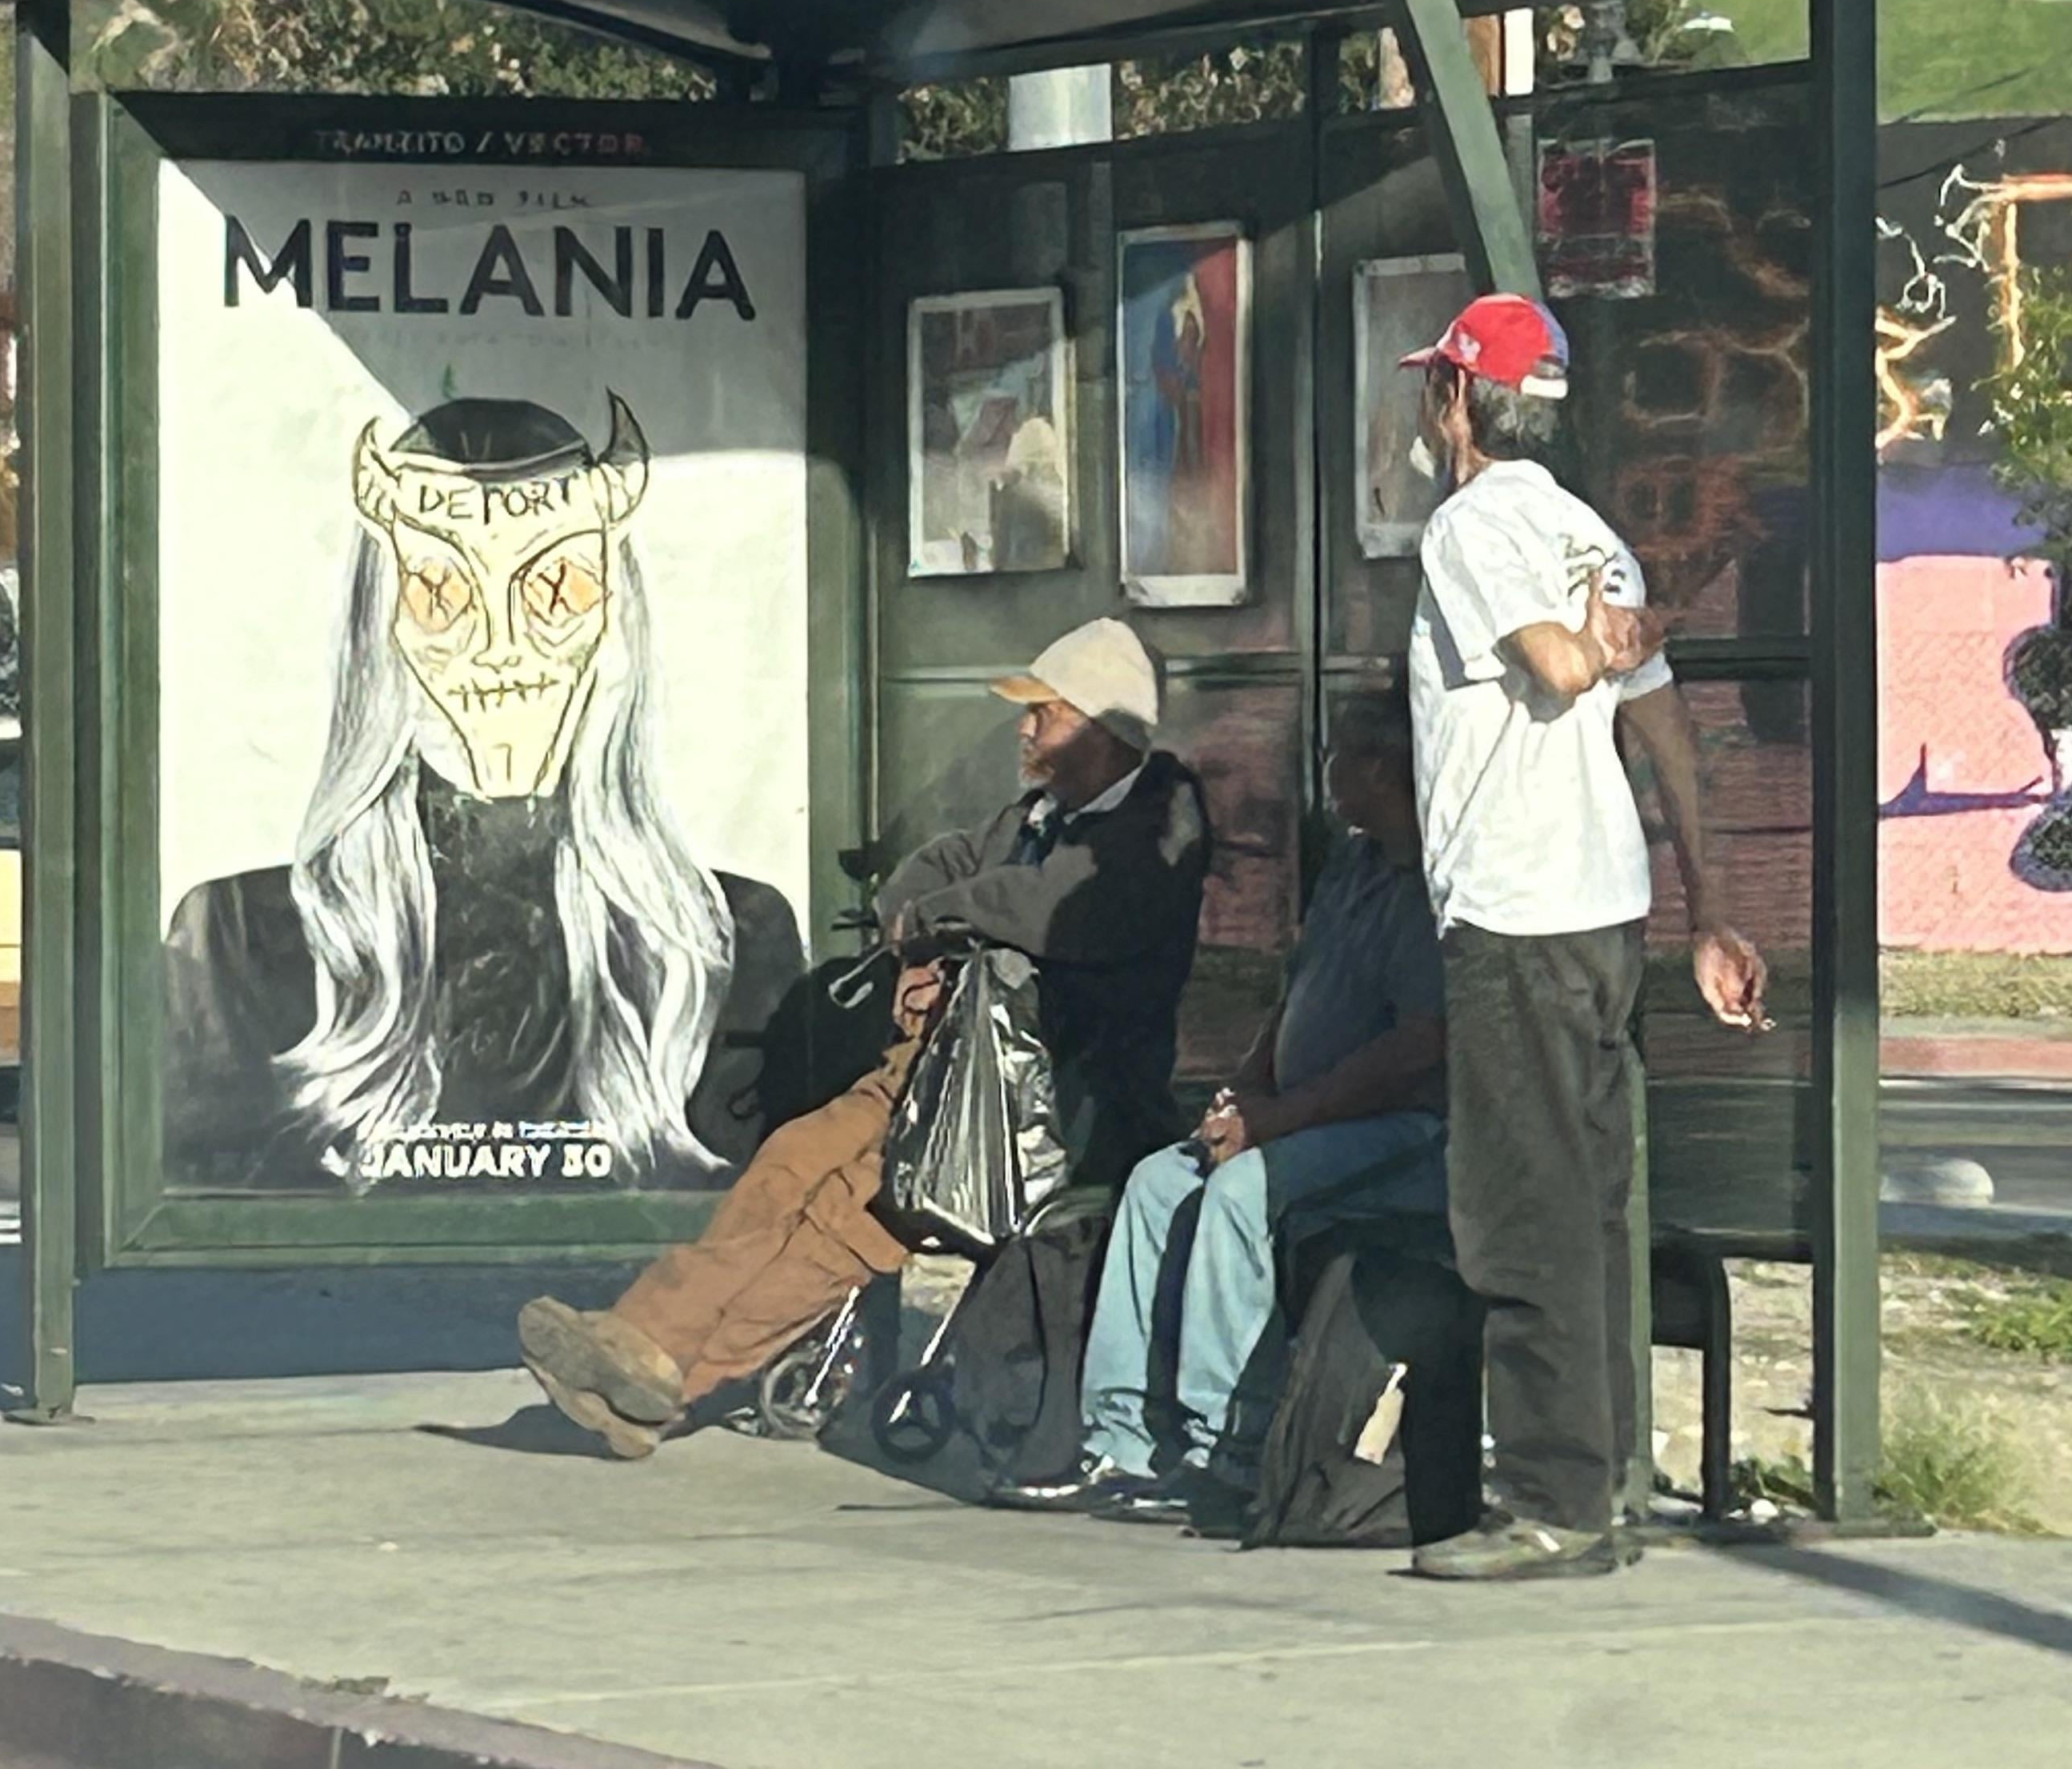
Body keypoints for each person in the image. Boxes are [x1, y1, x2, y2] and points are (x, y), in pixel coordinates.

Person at [516, 617, 1212, 1458]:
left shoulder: (1154, 827)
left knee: (848, 1212)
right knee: (791, 1159)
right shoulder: (1037, 814)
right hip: (946, 1064)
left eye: (1047, 714)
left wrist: (942, 919)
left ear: (1105, 730)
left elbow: (1047, 908)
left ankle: (669, 1385)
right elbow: (944, 865)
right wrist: (920, 921)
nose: (1025, 729)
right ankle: (641, 1340)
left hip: (1044, 1103)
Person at [158, 394, 802, 1192]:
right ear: (379, 629)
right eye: (440, 593)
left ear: (615, 620)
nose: (500, 647)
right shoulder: (240, 937)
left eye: (557, 588)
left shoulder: (725, 939)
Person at [1397, 293, 1766, 1583]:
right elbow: (1667, 734)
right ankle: (1602, 1478)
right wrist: (1704, 907)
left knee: (1523, 1209)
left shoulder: (1472, 523)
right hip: (1603, 908)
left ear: (1457, 397)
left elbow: (1557, 666)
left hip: (1517, 910)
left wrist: (1599, 646)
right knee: (1591, 1202)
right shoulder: (1588, 531)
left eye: (1432, 385)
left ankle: (1550, 1499)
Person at [991, 690, 1446, 1529]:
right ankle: (1125, 1442)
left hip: (1402, 1132)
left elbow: (1414, 1049)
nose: (1326, 773)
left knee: (1240, 1194)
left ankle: (1227, 1447)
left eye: (1339, 757)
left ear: (1382, 769)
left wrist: (1278, 1121)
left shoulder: (1428, 878)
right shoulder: (1348, 863)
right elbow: (1301, 991)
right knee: (1157, 1182)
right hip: (1300, 1111)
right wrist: (1248, 1087)